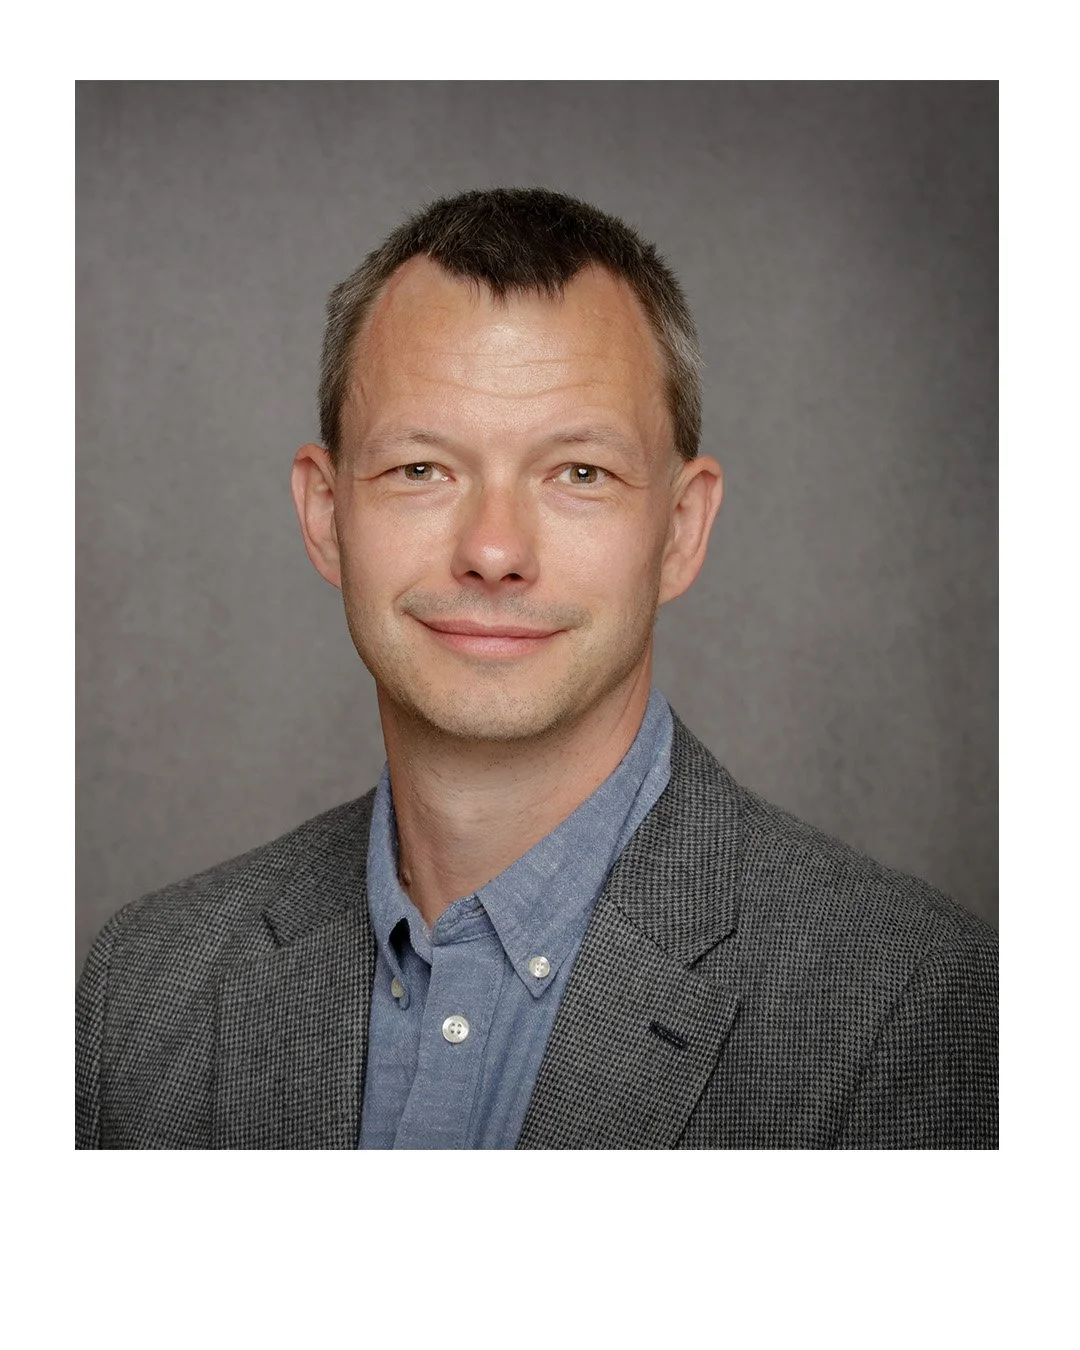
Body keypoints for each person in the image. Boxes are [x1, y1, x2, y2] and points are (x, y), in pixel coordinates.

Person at [75, 187, 997, 1149]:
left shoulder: (917, 1010)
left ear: (680, 531)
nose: (494, 550)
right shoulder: (145, 991)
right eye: (422, 469)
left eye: (579, 473)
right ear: (324, 514)